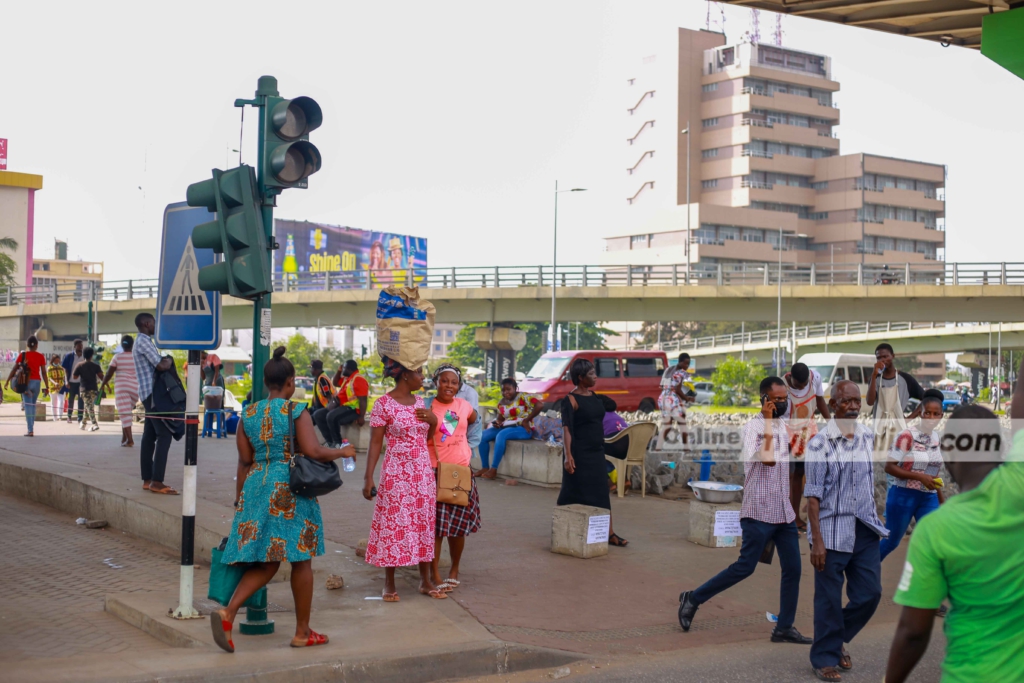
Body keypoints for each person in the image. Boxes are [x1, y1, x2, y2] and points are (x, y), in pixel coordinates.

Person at [211, 347, 353, 653]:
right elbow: (314, 452)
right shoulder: (295, 411)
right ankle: (302, 632)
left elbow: (244, 460)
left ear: (265, 382)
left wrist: (240, 501)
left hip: (256, 488)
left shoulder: (247, 413)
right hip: (290, 489)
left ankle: (228, 612)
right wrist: (342, 451)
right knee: (301, 561)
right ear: (289, 383)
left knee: (267, 563)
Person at [884, 400, 1023, 683]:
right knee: (890, 539)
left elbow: (913, 632)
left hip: (971, 674)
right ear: (1001, 445)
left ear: (947, 449)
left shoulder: (936, 530)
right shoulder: (1019, 482)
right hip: (906, 495)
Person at [678, 377, 812, 644]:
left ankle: (784, 627)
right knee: (744, 567)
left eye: (786, 398)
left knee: (794, 569)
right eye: (778, 399)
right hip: (758, 510)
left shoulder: (784, 427)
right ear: (764, 400)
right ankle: (693, 598)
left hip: (783, 512)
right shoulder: (752, 429)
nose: (784, 403)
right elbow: (769, 460)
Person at [803, 380, 889, 682]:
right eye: (845, 402)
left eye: (856, 401)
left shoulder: (866, 436)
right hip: (832, 530)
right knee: (827, 599)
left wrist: (876, 515)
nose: (853, 407)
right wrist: (816, 541)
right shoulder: (818, 445)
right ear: (833, 403)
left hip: (864, 529)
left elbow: (867, 482)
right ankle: (824, 657)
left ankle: (836, 638)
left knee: (870, 594)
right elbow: (812, 498)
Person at [362, 357, 445, 601]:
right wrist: (369, 478)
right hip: (396, 472)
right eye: (419, 372)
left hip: (422, 472)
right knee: (393, 524)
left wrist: (434, 421)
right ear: (405, 375)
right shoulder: (383, 405)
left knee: (423, 523)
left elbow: (426, 437)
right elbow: (375, 442)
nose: (423, 377)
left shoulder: (420, 401)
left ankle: (425, 580)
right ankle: (389, 582)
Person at [558, 358, 628, 546]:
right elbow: (567, 429)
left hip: (597, 452)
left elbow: (609, 408)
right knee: (574, 491)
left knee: (601, 491)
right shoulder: (570, 400)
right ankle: (569, 530)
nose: (595, 377)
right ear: (580, 377)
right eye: (591, 374)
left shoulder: (595, 396)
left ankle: (610, 533)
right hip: (579, 454)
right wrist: (568, 455)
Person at [426, 364, 480, 593]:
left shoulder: (464, 405)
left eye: (454, 382)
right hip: (434, 471)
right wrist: (431, 423)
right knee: (436, 529)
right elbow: (424, 437)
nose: (449, 385)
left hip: (459, 472)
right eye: (444, 381)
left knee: (457, 528)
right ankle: (434, 573)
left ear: (459, 386)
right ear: (436, 382)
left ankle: (454, 570)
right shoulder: (426, 406)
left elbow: (474, 419)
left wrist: (468, 449)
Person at [879, 389, 946, 562]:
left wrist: (941, 499)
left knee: (934, 541)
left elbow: (933, 472)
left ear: (941, 415)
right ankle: (865, 570)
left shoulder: (936, 438)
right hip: (903, 495)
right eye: (927, 413)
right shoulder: (907, 436)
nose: (931, 418)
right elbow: (889, 467)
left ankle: (925, 582)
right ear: (920, 413)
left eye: (935, 414)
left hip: (928, 497)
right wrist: (918, 477)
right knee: (892, 541)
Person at [134, 312, 177, 495]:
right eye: (153, 323)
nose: (155, 326)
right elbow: (161, 365)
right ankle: (157, 481)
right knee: (164, 435)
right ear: (146, 323)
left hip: (146, 394)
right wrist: (168, 359)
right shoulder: (144, 341)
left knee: (149, 436)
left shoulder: (141, 341)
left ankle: (147, 479)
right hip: (153, 395)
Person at [785, 362, 831, 532]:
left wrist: (830, 422)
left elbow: (819, 401)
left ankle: (795, 516)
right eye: (799, 384)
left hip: (807, 430)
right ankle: (787, 517)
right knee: (787, 474)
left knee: (800, 472)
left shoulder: (815, 378)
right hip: (787, 430)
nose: (803, 387)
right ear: (791, 378)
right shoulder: (784, 387)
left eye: (805, 384)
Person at [867, 343, 924, 461]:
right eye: (879, 358)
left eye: (885, 356)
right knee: (880, 462)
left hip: (899, 428)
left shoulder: (906, 379)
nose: (882, 360)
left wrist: (910, 417)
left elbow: (925, 398)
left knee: (899, 460)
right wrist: (873, 375)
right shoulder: (876, 379)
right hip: (879, 429)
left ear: (892, 356)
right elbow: (870, 401)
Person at [477, 377, 542, 479]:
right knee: (482, 436)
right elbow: (500, 418)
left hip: (523, 428)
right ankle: (485, 467)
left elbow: (539, 405)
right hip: (507, 427)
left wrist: (526, 420)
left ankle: (493, 469)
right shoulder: (501, 403)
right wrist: (497, 423)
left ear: (515, 388)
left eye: (508, 389)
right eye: (503, 390)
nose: (505, 392)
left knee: (501, 435)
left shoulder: (523, 396)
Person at [315, 360, 369, 448]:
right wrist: (339, 371)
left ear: (349, 369)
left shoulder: (358, 379)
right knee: (318, 415)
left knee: (331, 416)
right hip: (342, 407)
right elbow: (335, 383)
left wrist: (361, 416)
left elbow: (363, 399)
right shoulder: (348, 378)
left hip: (353, 409)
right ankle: (330, 442)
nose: (342, 369)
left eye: (343, 368)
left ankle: (338, 443)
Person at [5, 335, 47, 437]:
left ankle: (30, 429)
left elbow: (15, 369)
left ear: (27, 345)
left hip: (25, 383)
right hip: (37, 383)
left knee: (28, 405)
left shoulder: (22, 355)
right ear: (36, 345)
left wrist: (7, 381)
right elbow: (44, 372)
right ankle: (31, 427)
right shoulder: (40, 356)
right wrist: (47, 386)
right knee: (32, 405)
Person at [101, 335, 139, 447]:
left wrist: (103, 384)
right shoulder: (137, 357)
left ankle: (130, 440)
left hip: (122, 387)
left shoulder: (117, 357)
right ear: (133, 345)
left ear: (122, 345)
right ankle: (124, 437)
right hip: (135, 388)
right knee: (126, 412)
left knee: (124, 412)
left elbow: (109, 373)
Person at [658, 353, 695, 448]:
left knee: (668, 425)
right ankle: (686, 447)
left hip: (663, 397)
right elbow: (677, 389)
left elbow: (662, 386)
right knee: (682, 422)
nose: (686, 366)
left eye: (688, 364)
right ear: (680, 362)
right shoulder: (681, 372)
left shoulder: (668, 369)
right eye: (685, 363)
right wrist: (687, 398)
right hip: (671, 397)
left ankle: (658, 447)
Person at [72, 348, 103, 432]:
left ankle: (94, 424)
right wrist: (106, 386)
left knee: (88, 406)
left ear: (83, 355)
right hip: (93, 389)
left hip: (84, 389)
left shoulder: (79, 365)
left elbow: (74, 377)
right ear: (91, 355)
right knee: (89, 406)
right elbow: (102, 377)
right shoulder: (96, 366)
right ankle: (83, 423)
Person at [61, 339, 85, 425]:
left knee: (81, 400)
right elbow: (65, 369)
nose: (80, 347)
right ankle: (69, 416)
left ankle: (80, 417)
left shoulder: (84, 356)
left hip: (81, 382)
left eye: (81, 345)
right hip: (71, 381)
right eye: (79, 345)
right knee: (71, 400)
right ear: (75, 346)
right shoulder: (69, 356)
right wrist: (66, 381)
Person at [45, 354, 67, 423]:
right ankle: (55, 417)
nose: (57, 361)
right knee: (53, 403)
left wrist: (65, 382)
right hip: (52, 387)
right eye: (55, 360)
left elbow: (64, 377)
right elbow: (49, 378)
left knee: (61, 401)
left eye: (58, 360)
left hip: (61, 387)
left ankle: (60, 416)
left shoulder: (61, 368)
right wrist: (55, 383)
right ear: (53, 360)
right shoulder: (49, 368)